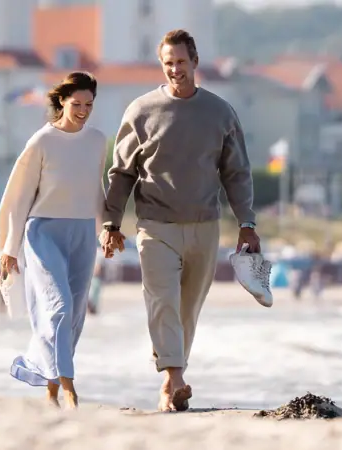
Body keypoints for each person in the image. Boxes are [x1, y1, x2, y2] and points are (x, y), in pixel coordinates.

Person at [100, 29, 260, 412]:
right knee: (162, 301)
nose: (175, 70)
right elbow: (121, 172)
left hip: (205, 226)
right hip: (155, 225)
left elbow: (236, 172)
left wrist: (247, 223)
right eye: (168, 63)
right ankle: (174, 376)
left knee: (187, 311)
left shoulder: (220, 112)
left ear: (195, 62)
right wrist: (111, 223)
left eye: (181, 62)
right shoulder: (141, 111)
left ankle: (170, 385)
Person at [0, 71, 107, 409]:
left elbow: (96, 190)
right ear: (62, 101)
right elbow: (18, 196)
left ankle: (50, 386)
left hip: (83, 232)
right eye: (77, 104)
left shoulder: (98, 140)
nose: (83, 110)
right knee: (58, 308)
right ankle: (70, 387)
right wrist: (9, 248)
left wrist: (106, 229)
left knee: (73, 317)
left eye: (89, 104)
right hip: (43, 232)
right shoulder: (42, 141)